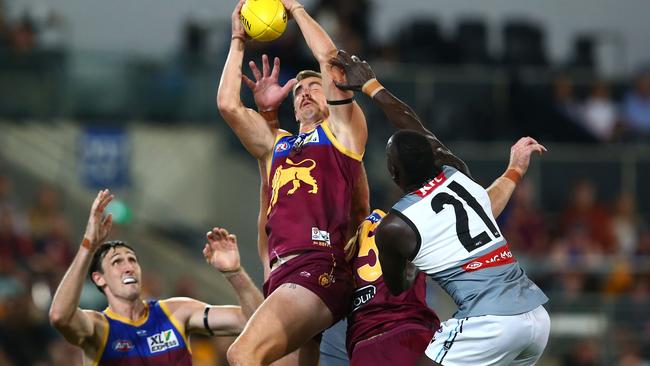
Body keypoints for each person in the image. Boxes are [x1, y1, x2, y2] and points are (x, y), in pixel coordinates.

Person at [332, 50, 549, 366]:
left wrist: (418, 258)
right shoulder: (456, 173)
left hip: (490, 323)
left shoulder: (395, 226)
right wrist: (371, 85)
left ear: (393, 174)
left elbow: (399, 285)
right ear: (433, 156)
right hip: (536, 319)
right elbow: (412, 124)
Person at [216, 0, 369, 363]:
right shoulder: (277, 145)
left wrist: (297, 10)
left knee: (241, 354)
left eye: (314, 87)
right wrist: (238, 40)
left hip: (317, 268)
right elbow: (227, 105)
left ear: (333, 99)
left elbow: (331, 60)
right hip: (283, 277)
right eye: (298, 91)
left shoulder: (342, 134)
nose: (304, 92)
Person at [49, 189, 264, 365]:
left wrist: (234, 273)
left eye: (132, 260)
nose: (128, 267)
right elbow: (59, 316)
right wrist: (88, 245)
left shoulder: (176, 312)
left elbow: (255, 321)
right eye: (117, 262)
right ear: (99, 279)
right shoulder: (99, 327)